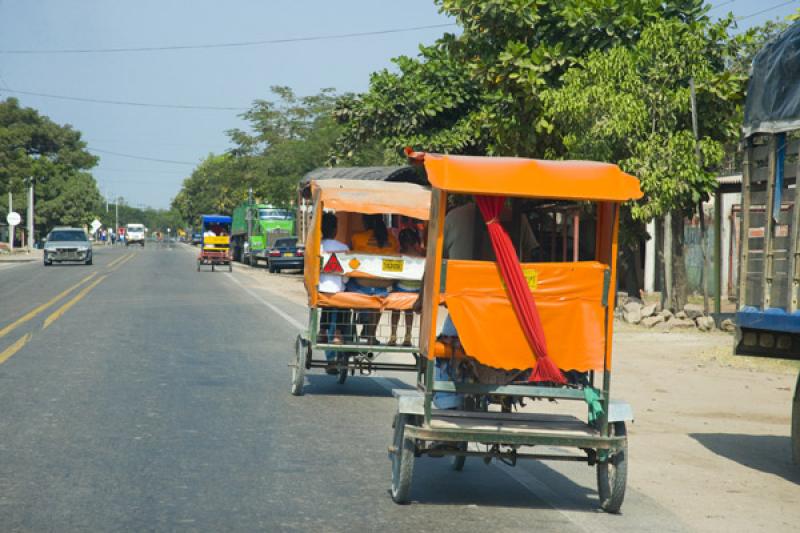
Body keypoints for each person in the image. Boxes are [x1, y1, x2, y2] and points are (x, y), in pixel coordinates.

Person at [347, 214, 400, 344]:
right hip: (383, 288)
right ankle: (371, 334)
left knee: (347, 284)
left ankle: (355, 326)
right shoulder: (392, 240)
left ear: (365, 223)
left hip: (361, 286)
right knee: (377, 296)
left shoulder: (357, 238)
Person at [389, 228, 423, 347]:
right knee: (409, 312)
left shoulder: (399, 256)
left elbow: (394, 276)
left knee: (395, 309)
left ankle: (393, 335)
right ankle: (408, 336)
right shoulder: (420, 257)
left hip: (400, 290)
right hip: (415, 292)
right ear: (415, 242)